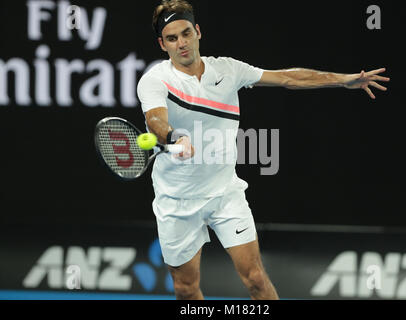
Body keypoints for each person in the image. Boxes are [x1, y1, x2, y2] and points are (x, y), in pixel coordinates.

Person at [137, 0, 389, 300]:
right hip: (176, 200)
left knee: (256, 279)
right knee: (186, 290)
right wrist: (174, 136)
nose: (181, 43)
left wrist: (343, 81)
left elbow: (287, 77)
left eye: (186, 33)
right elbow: (155, 119)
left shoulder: (229, 70)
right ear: (162, 44)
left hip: (224, 194)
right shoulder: (155, 80)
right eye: (172, 38)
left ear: (198, 32)